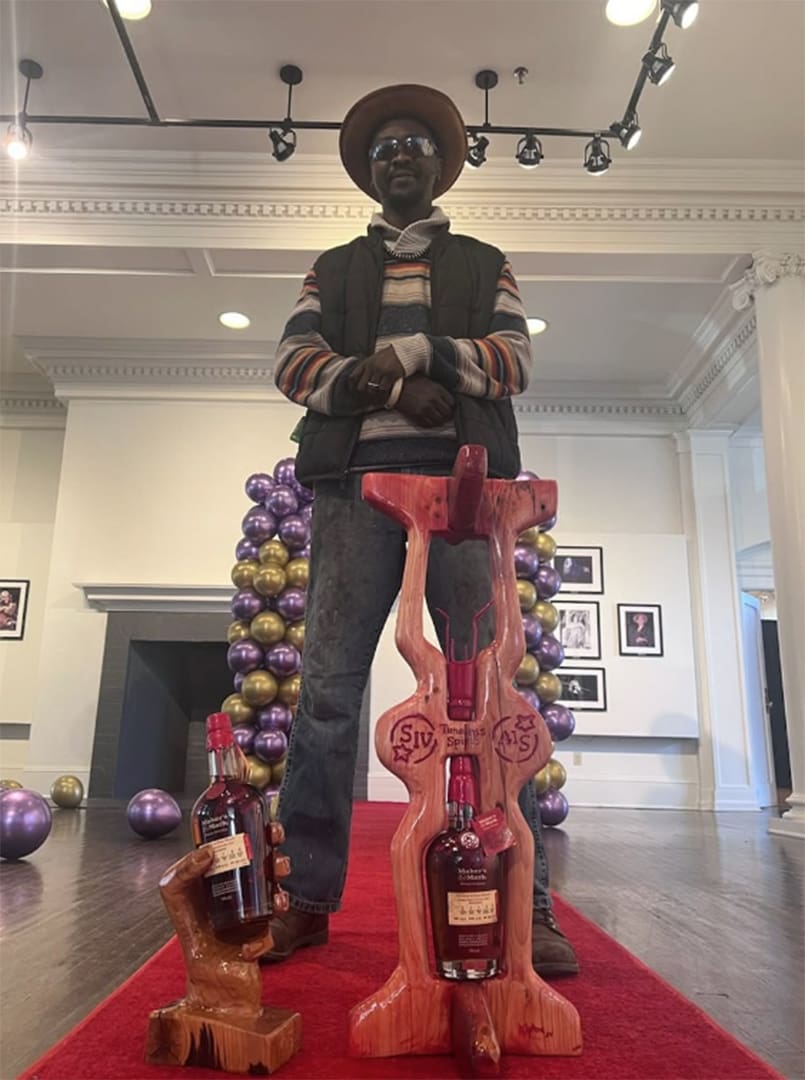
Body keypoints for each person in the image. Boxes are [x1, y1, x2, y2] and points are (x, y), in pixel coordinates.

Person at [267, 84, 578, 976]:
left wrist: (410, 354)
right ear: (368, 174)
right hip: (353, 493)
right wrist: (403, 390)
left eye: (413, 145)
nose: (397, 156)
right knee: (327, 697)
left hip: (465, 496)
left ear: (441, 167)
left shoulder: (484, 262)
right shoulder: (332, 268)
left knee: (487, 694)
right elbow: (292, 366)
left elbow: (512, 360)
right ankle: (305, 901)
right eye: (382, 149)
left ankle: (524, 907)